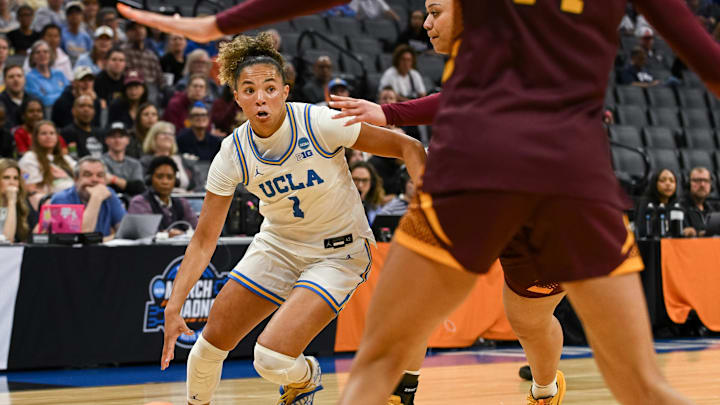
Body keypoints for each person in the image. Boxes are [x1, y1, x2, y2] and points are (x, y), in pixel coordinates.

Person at [117, 1, 717, 404]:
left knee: (379, 362)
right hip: (571, 174)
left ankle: (541, 380)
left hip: (475, 167)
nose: (426, 18)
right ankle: (543, 381)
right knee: (639, 381)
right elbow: (707, 61)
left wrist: (217, 25)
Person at [156, 33, 424, 405]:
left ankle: (307, 376)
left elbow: (406, 146)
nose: (260, 97)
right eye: (249, 90)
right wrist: (174, 304)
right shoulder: (232, 153)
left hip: (338, 252)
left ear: (285, 90)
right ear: (237, 97)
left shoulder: (320, 122)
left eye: (269, 88)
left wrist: (431, 200)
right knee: (206, 349)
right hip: (279, 245)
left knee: (270, 358)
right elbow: (203, 240)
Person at [50, 155, 126, 239]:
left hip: (104, 250)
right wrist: (96, 198)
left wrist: (102, 240)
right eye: (88, 175)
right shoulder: (61, 199)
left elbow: (126, 232)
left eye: (100, 175)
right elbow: (79, 240)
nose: (95, 179)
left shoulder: (109, 193)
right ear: (76, 179)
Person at [128, 155, 197, 236]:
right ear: (150, 179)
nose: (165, 182)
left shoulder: (182, 203)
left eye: (170, 177)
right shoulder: (139, 203)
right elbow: (146, 234)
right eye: (159, 177)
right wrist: (168, 235)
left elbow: (197, 229)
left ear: (176, 181)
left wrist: (183, 234)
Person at [18, 120, 75, 206]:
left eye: (52, 133)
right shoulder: (30, 158)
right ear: (36, 137)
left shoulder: (65, 158)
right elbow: (31, 188)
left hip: (75, 199)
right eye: (43, 133)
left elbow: (81, 175)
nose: (48, 136)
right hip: (50, 203)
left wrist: (65, 175)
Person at [141, 120, 200, 192]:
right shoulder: (146, 161)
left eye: (171, 134)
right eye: (164, 133)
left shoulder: (183, 160)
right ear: (153, 137)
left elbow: (199, 184)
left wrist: (192, 193)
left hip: (188, 199)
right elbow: (144, 186)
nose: (168, 136)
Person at [101, 122, 146, 196]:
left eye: (121, 136)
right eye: (113, 136)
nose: (117, 140)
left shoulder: (135, 164)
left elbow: (139, 188)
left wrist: (113, 179)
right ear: (106, 140)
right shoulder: (99, 162)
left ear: (128, 140)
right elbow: (105, 186)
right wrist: (129, 186)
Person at [634, 168, 679, 238]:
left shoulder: (677, 206)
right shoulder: (646, 205)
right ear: (654, 183)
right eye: (663, 180)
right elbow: (642, 230)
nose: (668, 184)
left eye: (672, 181)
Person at [24, 40, 70, 107]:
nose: (42, 55)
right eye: (38, 52)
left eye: (45, 52)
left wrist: (49, 95)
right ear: (32, 57)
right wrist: (62, 97)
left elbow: (69, 93)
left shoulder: (59, 74)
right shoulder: (29, 77)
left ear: (50, 55)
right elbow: (43, 100)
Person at [60, 94, 104, 158]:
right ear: (73, 111)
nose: (86, 109)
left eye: (90, 106)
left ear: (94, 112)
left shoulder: (101, 133)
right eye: (82, 106)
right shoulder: (66, 133)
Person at [0, 158, 30, 242]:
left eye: (16, 178)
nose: (12, 182)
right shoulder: (12, 202)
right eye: (6, 178)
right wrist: (11, 202)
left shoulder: (23, 204)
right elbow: (7, 241)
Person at [681, 166, 716, 237]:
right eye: (697, 180)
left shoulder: (714, 210)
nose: (702, 185)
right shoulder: (680, 208)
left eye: (706, 181)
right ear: (688, 184)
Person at [350, 161, 384, 225]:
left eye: (365, 180)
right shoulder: (340, 207)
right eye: (355, 179)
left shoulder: (375, 207)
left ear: (372, 183)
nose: (360, 185)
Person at [0, 65, 31, 129]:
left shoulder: (33, 101)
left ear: (24, 79)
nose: (16, 79)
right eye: (11, 77)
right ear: (5, 81)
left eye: (19, 76)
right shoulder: (1, 102)